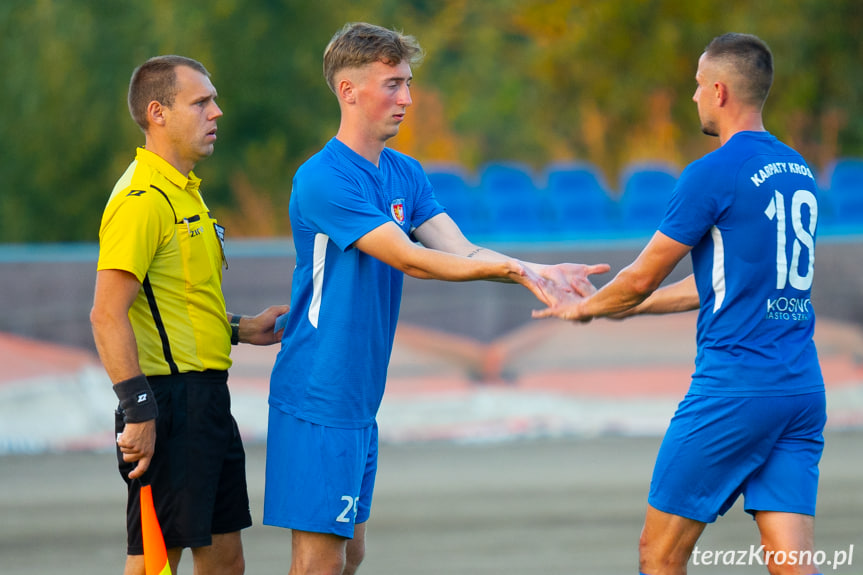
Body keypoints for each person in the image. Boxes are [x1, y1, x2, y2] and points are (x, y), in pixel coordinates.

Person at [263, 22, 609, 575]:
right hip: (318, 390)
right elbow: (412, 259)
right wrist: (519, 269)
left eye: (408, 83)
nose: (407, 98)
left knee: (351, 553)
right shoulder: (323, 177)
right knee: (319, 563)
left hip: (359, 395)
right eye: (393, 84)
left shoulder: (405, 172)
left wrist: (536, 272)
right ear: (349, 91)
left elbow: (461, 250)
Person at [535, 33, 826, 575]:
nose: (692, 97)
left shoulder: (711, 173)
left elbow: (643, 274)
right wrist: (627, 308)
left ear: (718, 91)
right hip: (802, 391)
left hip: (734, 389)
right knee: (793, 565)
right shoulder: (797, 169)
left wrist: (588, 307)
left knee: (660, 554)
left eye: (696, 86)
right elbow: (729, 283)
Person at [90, 55, 289, 575]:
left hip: (206, 399)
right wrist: (138, 411)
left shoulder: (186, 195)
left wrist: (242, 329)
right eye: (201, 102)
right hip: (166, 403)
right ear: (158, 112)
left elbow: (172, 305)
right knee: (154, 563)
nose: (217, 112)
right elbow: (106, 315)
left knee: (225, 563)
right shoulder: (142, 199)